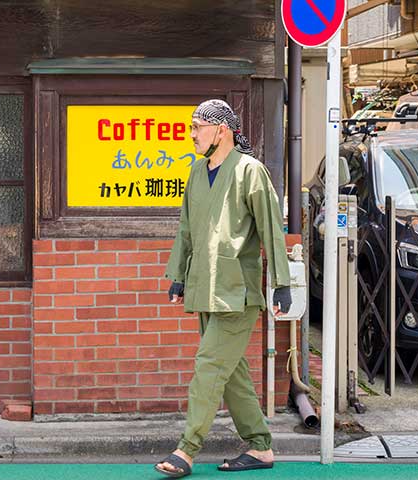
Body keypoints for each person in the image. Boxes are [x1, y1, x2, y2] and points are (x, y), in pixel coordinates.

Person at [155, 99, 291, 478]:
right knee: (231, 373)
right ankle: (260, 446)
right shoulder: (197, 172)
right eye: (193, 127)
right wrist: (179, 276)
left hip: (237, 291)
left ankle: (187, 448)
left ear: (222, 130)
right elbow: (186, 228)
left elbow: (271, 232)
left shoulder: (251, 171)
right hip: (205, 287)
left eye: (198, 126)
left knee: (209, 365)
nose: (192, 134)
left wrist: (281, 284)